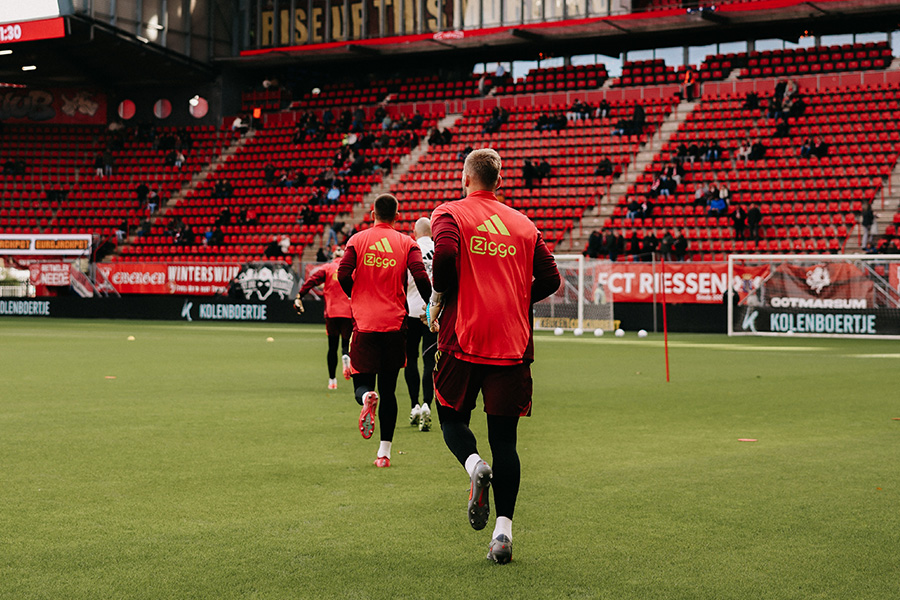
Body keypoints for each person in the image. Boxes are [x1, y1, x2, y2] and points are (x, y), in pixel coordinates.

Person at [428, 148, 561, 564]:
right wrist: (519, 300)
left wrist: (443, 294)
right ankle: (502, 535)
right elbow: (552, 278)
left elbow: (446, 256)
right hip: (512, 343)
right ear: (499, 182)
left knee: (450, 417)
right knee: (506, 441)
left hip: (464, 338)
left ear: (465, 178)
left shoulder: (450, 213)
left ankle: (472, 466)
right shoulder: (524, 224)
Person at [337, 194, 431, 468]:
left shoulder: (357, 239)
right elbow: (421, 277)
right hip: (394, 325)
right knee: (389, 391)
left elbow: (343, 273)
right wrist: (430, 306)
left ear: (372, 213)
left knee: (362, 384)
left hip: (365, 324)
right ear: (397, 216)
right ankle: (384, 454)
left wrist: (357, 296)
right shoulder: (407, 242)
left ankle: (367, 397)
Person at [294, 246, 354, 390]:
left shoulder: (328, 268)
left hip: (332, 312)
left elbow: (311, 280)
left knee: (332, 347)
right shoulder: (352, 269)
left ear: (333, 256)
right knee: (347, 344)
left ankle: (332, 381)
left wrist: (300, 295)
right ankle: (346, 355)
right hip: (348, 312)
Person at [405, 218, 437, 432]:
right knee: (429, 362)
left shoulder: (410, 249)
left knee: (411, 360)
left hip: (410, 312)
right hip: (433, 313)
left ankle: (414, 405)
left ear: (414, 232)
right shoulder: (440, 250)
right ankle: (427, 403)